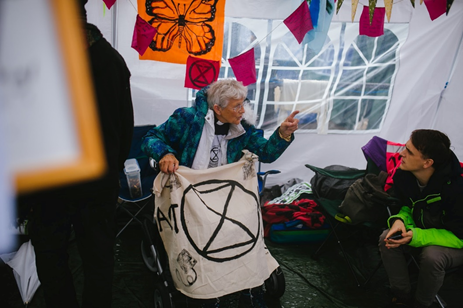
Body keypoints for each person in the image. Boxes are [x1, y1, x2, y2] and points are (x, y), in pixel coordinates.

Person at [16, 1, 134, 307]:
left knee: (86, 258)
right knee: (62, 258)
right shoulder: (110, 61)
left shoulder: (106, 64)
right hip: (61, 186)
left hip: (75, 186)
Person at [141, 78, 299, 307]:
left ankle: (249, 287)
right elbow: (151, 138)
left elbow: (266, 152)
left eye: (243, 103)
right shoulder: (186, 119)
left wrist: (282, 134)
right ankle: (206, 289)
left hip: (226, 195)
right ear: (217, 108)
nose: (242, 110)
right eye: (236, 106)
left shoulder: (243, 126)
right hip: (190, 198)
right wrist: (165, 153)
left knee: (245, 227)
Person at [379, 129, 463, 308]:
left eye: (409, 151)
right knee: (387, 239)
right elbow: (406, 205)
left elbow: (459, 235)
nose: (401, 153)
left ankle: (422, 303)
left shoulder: (456, 190)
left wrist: (416, 237)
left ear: (427, 162)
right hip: (421, 232)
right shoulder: (404, 176)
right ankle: (401, 295)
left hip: (455, 242)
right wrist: (399, 221)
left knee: (432, 256)